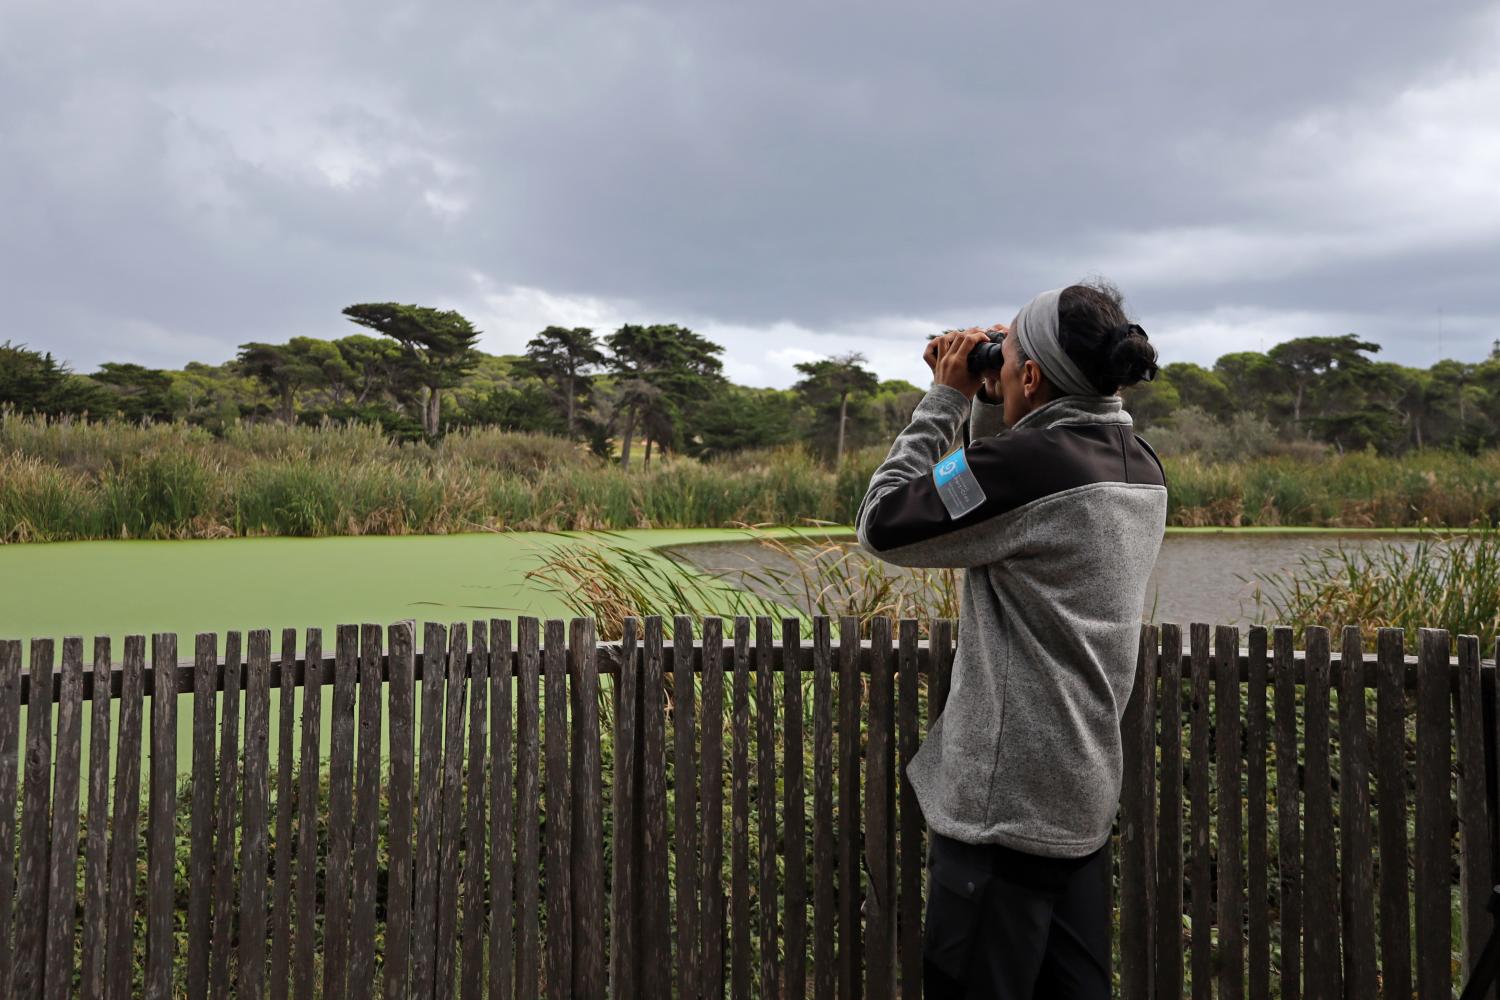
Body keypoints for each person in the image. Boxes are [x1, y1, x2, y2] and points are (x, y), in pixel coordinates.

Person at [855, 279, 1166, 998]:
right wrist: (1007, 393)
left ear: (1031, 375)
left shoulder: (1028, 470)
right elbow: (1009, 487)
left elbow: (884, 523)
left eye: (1014, 356)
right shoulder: (1139, 463)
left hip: (1003, 816)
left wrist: (948, 397)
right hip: (1078, 800)